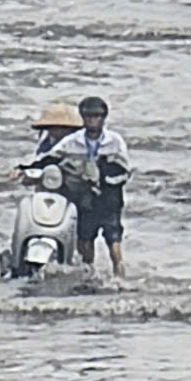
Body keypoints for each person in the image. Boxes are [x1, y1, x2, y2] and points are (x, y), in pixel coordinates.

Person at [39, 95, 132, 275]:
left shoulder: (114, 141)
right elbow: (50, 158)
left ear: (103, 118)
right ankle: (89, 274)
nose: (92, 120)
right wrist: (25, 168)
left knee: (113, 238)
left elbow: (125, 169)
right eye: (88, 116)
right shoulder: (73, 141)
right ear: (83, 117)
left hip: (109, 196)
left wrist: (105, 175)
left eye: (96, 116)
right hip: (85, 197)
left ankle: (119, 274)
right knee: (85, 238)